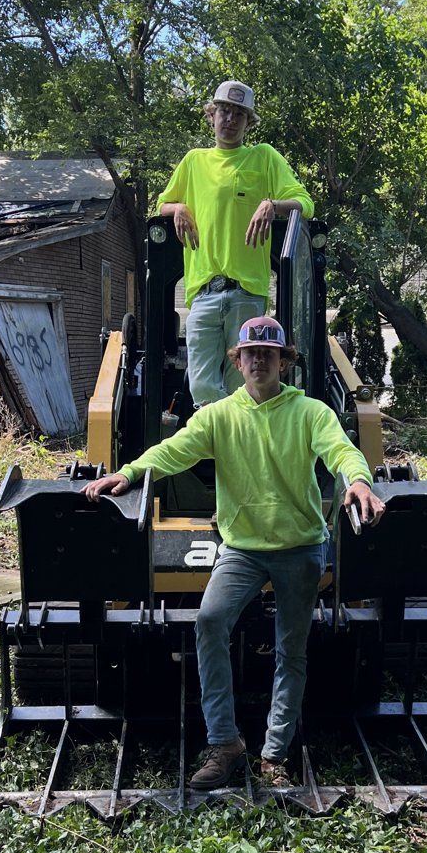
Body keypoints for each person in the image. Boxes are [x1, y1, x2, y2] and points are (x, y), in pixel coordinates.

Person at [83, 317, 386, 789]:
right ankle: (225, 743)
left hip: (302, 548)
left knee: (292, 650)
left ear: (283, 361)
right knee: (209, 621)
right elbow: (175, 450)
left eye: (269, 353)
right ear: (238, 362)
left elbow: (342, 452)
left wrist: (360, 480)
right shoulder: (218, 415)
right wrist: (131, 472)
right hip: (241, 551)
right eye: (251, 353)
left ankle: (274, 755)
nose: (259, 360)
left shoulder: (311, 412)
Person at [157, 80, 314, 404]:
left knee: (242, 390)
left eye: (238, 114)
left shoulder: (264, 158)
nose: (229, 119)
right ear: (211, 115)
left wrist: (273, 205)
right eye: (223, 111)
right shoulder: (193, 162)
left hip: (247, 294)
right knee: (200, 385)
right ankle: (224, 438)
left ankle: (231, 451)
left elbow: (305, 204)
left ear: (248, 122)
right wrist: (180, 207)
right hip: (203, 292)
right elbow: (162, 205)